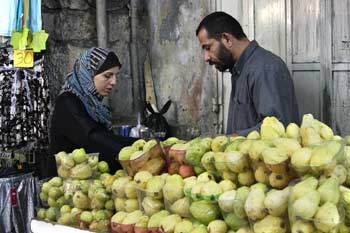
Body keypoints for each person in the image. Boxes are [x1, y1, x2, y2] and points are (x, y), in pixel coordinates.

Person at [196, 12, 300, 136]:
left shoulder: (264, 69)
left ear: (227, 39)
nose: (206, 57)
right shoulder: (240, 69)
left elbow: (277, 129)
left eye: (208, 48)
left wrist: (229, 140)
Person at [50, 47, 137, 173]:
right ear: (88, 74)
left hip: (91, 180)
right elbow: (92, 137)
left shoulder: (93, 105)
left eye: (115, 76)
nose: (114, 82)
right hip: (70, 183)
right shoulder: (68, 102)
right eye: (107, 76)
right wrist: (137, 147)